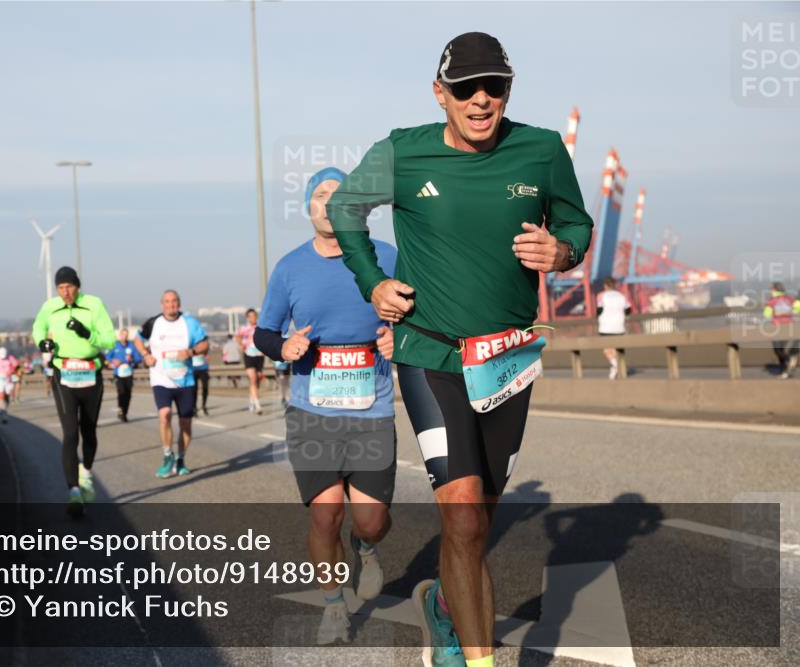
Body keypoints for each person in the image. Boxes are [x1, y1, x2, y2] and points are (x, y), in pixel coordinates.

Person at [328, 32, 593, 666]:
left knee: (484, 517)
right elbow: (345, 209)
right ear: (440, 93)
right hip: (429, 353)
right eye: (466, 88)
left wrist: (562, 252)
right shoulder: (402, 151)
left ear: (508, 91)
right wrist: (374, 283)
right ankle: (478, 659)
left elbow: (577, 222)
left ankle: (443, 605)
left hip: (507, 360)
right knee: (465, 519)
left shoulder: (542, 149)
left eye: (494, 87)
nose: (481, 101)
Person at [254, 167, 399, 645]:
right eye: (320, 196)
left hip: (372, 408)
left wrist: (400, 336)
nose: (328, 204)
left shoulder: (388, 258)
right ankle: (334, 605)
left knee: (370, 520)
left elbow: (422, 311)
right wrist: (284, 348)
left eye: (339, 196)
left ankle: (366, 549)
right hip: (312, 412)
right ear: (308, 209)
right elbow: (264, 332)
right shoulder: (291, 267)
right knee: (324, 516)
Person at [32, 266, 116, 517]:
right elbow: (38, 327)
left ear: (77, 286)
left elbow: (109, 340)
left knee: (88, 430)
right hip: (64, 373)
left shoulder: (93, 305)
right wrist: (42, 342)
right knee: (70, 433)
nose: (65, 292)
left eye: (69, 287)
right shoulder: (50, 307)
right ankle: (74, 492)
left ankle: (86, 474)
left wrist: (86, 333)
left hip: (91, 373)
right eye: (60, 288)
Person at [133, 290, 209, 479]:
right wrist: (145, 355)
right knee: (165, 415)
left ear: (179, 303)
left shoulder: (189, 323)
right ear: (162, 304)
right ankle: (168, 455)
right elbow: (137, 339)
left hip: (185, 380)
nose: (171, 305)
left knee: (185, 423)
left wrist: (191, 352)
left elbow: (205, 344)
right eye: (167, 302)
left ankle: (181, 459)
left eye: (174, 301)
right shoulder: (153, 323)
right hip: (161, 379)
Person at [597, 276, 632, 379]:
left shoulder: (601, 296)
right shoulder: (622, 296)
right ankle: (616, 367)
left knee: (607, 349)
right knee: (617, 350)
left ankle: (615, 366)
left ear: (606, 286)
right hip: (619, 326)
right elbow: (628, 309)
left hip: (605, 327)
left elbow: (599, 310)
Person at [764, 282, 800, 379]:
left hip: (777, 328)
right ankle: (786, 371)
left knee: (778, 350)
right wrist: (790, 311)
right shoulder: (790, 299)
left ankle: (787, 363)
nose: (771, 291)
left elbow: (767, 314)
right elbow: (798, 309)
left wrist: (769, 309)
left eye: (772, 290)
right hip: (790, 327)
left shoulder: (772, 301)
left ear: (775, 290)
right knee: (782, 350)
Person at [107, 328, 143, 421]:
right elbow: (107, 357)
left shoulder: (131, 346)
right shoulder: (114, 345)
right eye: (123, 334)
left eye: (126, 335)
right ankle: (121, 410)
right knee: (121, 392)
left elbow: (138, 359)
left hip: (128, 373)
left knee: (128, 394)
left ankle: (125, 412)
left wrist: (132, 359)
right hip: (118, 373)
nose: (125, 336)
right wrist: (113, 361)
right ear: (120, 335)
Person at [236, 308, 266, 414]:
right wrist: (241, 345)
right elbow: (237, 337)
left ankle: (252, 398)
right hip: (248, 355)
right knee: (252, 378)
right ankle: (258, 405)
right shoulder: (244, 328)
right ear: (248, 318)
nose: (253, 318)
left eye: (254, 316)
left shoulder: (260, 328)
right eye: (251, 316)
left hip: (259, 355)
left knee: (257, 379)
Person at [0, 347, 19, 424]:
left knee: (7, 397)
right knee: (1, 396)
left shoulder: (11, 358)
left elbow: (17, 367)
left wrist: (12, 371)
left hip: (8, 380)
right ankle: (4, 415)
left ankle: (2, 408)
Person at [192, 349, 211, 416]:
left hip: (203, 368)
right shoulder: (190, 342)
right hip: (193, 369)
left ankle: (204, 406)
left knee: (205, 388)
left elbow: (208, 356)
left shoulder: (204, 344)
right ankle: (194, 408)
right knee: (194, 389)